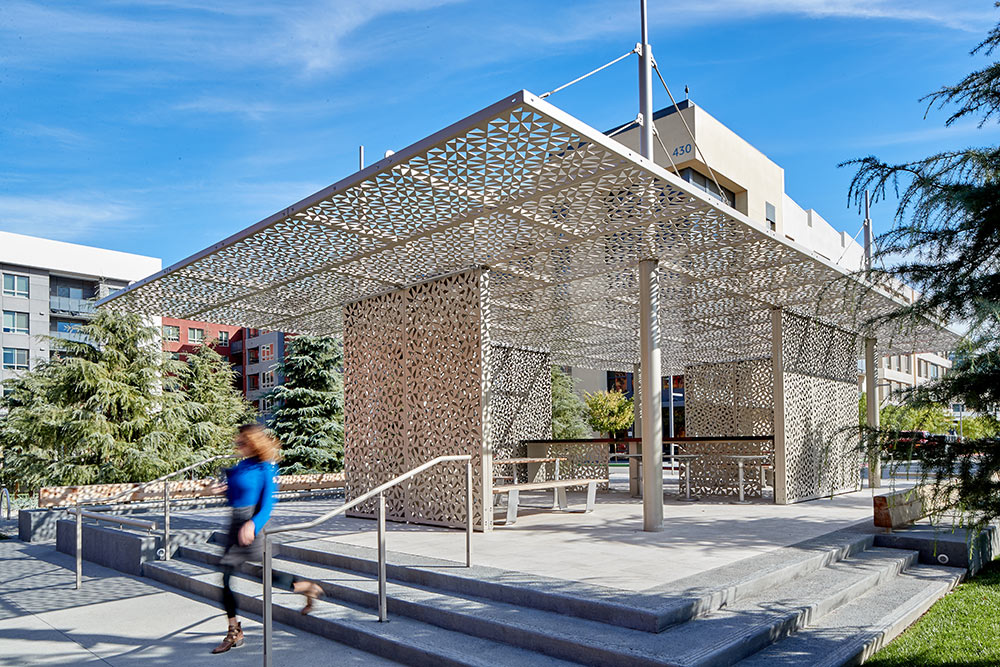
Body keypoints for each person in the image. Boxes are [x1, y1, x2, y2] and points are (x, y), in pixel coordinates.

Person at [212, 424, 323, 654]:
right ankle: (234, 630)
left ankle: (307, 587)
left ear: (254, 442)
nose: (238, 445)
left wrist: (253, 525)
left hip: (253, 525)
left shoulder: (267, 468)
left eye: (242, 441)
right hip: (235, 524)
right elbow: (235, 496)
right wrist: (222, 491)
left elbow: (268, 505)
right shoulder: (241, 466)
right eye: (238, 442)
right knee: (225, 576)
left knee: (264, 576)